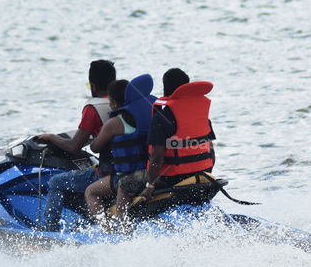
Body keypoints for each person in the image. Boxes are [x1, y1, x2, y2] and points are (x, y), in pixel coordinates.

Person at [35, 59, 116, 231]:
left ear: (93, 86)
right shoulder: (123, 102)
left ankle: (49, 231)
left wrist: (51, 137)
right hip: (127, 168)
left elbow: (74, 146)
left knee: (56, 182)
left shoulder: (93, 108)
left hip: (107, 173)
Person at [136, 68, 216, 205]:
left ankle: (121, 219)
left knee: (124, 184)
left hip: (172, 179)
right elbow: (211, 150)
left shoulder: (161, 117)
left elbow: (157, 158)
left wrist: (150, 186)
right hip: (203, 173)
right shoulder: (202, 116)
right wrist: (206, 172)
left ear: (165, 88)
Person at [84, 74, 155, 225]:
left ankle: (107, 230)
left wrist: (99, 136)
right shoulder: (150, 113)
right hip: (152, 172)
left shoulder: (114, 123)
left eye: (110, 101)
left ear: (115, 103)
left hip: (130, 177)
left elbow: (95, 147)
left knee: (91, 191)